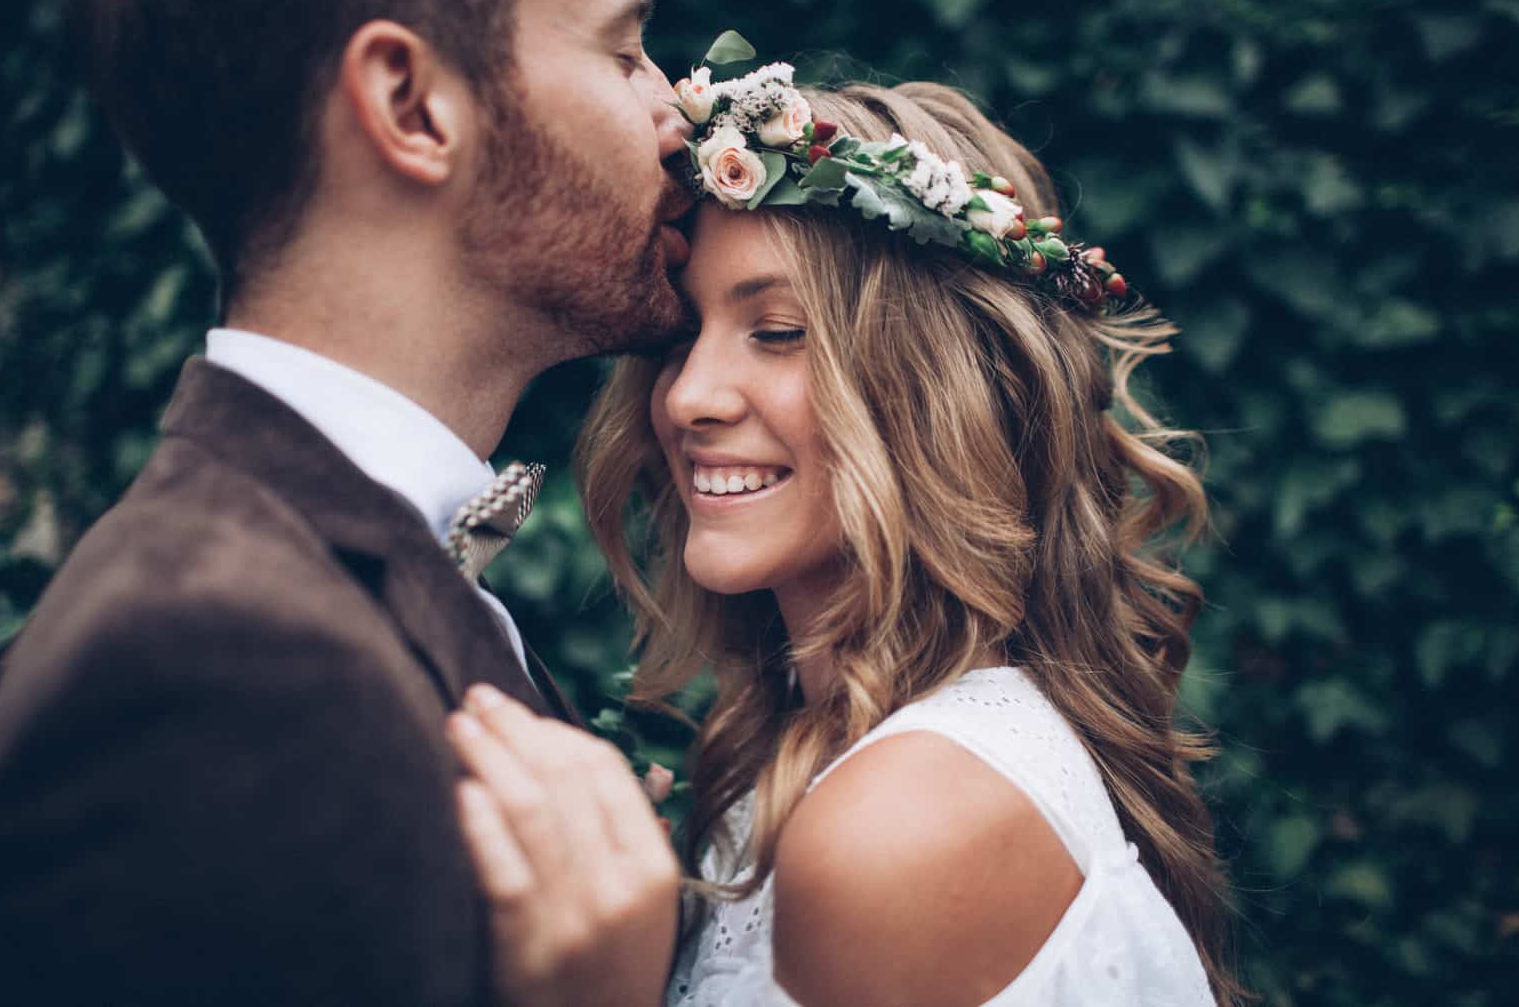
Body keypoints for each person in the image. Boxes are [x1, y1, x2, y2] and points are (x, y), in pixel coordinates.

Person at [0, 0, 691, 1003]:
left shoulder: (316, 574)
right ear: (411, 104)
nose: (678, 112)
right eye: (623, 53)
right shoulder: (208, 662)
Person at [446, 70, 1244, 1005]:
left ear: (941, 391)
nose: (690, 397)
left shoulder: (903, 820)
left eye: (778, 331)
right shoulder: (818, 756)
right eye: (681, 333)